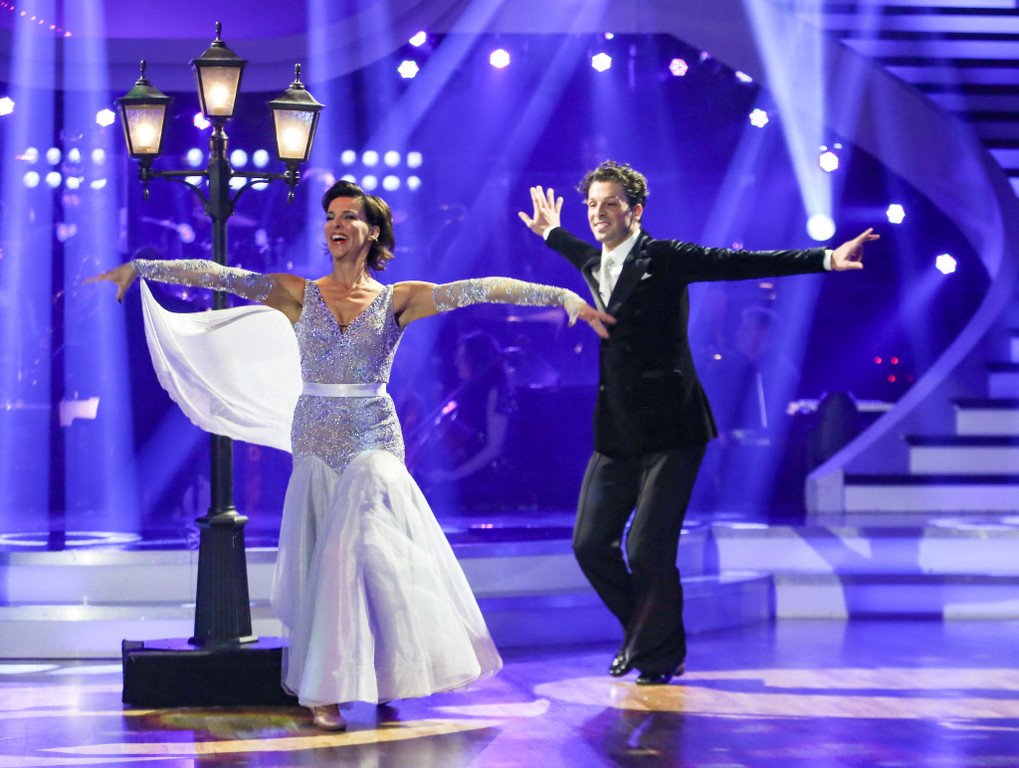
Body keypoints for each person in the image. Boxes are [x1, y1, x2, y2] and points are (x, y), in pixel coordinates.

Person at [89, 179, 614, 731]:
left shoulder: (399, 299)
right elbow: (220, 276)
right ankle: (332, 687)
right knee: (332, 561)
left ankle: (369, 674)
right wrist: (144, 268)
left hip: (373, 436)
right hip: (315, 439)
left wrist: (562, 298)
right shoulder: (298, 292)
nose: (336, 224)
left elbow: (480, 289)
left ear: (374, 232)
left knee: (359, 546)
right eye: (331, 216)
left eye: (349, 216)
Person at [518, 160, 878, 685]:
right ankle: (646, 635)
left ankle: (657, 654)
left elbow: (739, 264)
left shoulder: (664, 257)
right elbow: (574, 248)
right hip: (616, 432)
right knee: (589, 545)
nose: (597, 213)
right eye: (592, 204)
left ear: (636, 211)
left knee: (647, 549)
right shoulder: (596, 262)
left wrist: (826, 257)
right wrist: (551, 231)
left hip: (673, 430)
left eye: (610, 203)